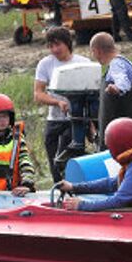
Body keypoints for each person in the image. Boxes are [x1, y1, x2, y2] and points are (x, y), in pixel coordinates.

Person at [58, 117, 132, 211]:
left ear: (118, 146)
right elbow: (112, 183)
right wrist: (74, 187)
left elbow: (120, 200)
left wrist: (83, 206)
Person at [34, 26, 91, 182]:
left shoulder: (83, 63)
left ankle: (75, 185)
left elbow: (92, 93)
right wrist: (57, 102)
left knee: (66, 155)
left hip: (77, 119)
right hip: (54, 119)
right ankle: (58, 187)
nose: (54, 49)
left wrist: (91, 123)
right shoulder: (45, 64)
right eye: (51, 46)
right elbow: (38, 94)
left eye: (58, 45)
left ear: (67, 43)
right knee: (53, 159)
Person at [90, 32, 132, 149]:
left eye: (93, 52)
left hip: (118, 137)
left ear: (98, 51)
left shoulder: (117, 64)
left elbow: (122, 82)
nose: (94, 56)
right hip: (130, 131)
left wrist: (117, 88)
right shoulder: (127, 62)